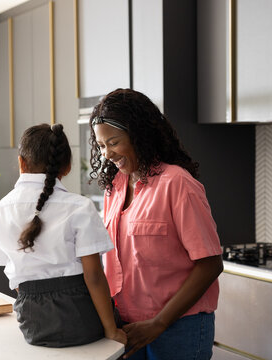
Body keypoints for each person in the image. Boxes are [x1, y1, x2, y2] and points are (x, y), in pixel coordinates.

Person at [88, 89, 223, 359]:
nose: (107, 154)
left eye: (113, 142)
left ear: (139, 135)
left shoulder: (177, 183)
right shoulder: (113, 188)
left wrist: (159, 323)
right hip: (127, 327)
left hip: (179, 328)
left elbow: (210, 263)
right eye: (101, 145)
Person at [0, 123, 127, 348]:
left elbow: (9, 269)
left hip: (32, 320)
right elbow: (93, 276)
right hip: (80, 316)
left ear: (21, 163)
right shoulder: (79, 207)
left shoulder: (2, 209)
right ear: (67, 167)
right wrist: (111, 330)